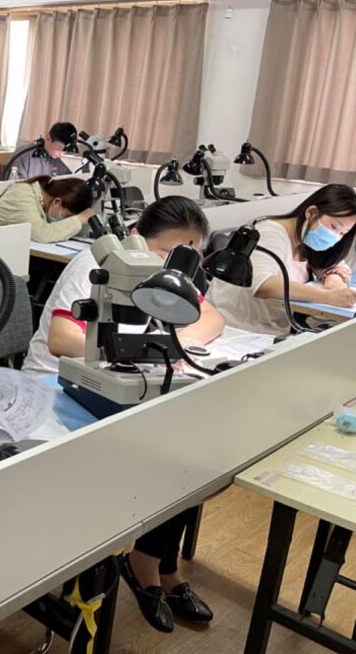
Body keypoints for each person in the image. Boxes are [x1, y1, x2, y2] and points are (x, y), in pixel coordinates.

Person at [23, 195, 223, 633]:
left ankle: (160, 568)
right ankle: (142, 566)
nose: (178, 263)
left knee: (196, 449)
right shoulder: (100, 265)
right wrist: (144, 351)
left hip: (123, 382)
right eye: (169, 252)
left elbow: (211, 317)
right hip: (58, 385)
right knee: (167, 455)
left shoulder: (170, 276)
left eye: (188, 254)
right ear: (136, 238)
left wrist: (176, 344)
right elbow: (61, 338)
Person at [207, 184, 356, 336]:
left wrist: (333, 279)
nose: (335, 237)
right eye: (334, 227)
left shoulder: (308, 238)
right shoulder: (270, 234)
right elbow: (262, 285)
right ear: (311, 212)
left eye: (343, 233)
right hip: (235, 329)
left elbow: (334, 264)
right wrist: (327, 297)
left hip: (274, 330)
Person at [0, 175, 96, 242]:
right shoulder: (22, 193)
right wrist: (81, 218)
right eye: (67, 217)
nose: (65, 220)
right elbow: (42, 234)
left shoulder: (41, 201)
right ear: (57, 202)